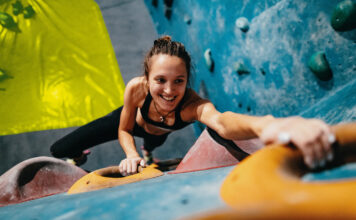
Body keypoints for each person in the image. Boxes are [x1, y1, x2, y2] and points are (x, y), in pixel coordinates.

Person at [51, 36, 335, 176]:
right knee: (60, 150)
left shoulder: (191, 107)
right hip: (129, 123)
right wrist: (129, 154)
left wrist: (270, 124)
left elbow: (223, 122)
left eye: (179, 81)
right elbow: (124, 128)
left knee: (154, 145)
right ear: (147, 79)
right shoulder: (136, 89)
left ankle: (149, 151)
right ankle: (83, 155)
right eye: (160, 80)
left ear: (187, 80)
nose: (169, 90)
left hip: (156, 133)